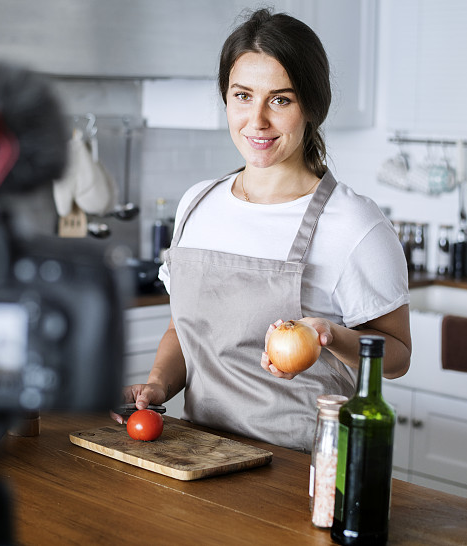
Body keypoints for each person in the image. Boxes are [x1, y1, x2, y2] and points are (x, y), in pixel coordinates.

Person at [113, 9, 411, 452]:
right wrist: (156, 387)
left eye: (280, 100)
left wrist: (330, 336)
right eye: (242, 96)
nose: (257, 121)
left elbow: (398, 357)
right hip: (201, 456)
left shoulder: (355, 225)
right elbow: (184, 330)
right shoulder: (198, 204)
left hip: (304, 468)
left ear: (312, 105)